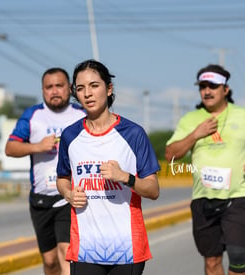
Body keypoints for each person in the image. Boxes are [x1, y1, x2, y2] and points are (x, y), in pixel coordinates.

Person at [56, 59, 160, 275]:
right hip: (86, 247)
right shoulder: (70, 136)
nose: (87, 94)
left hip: (127, 247)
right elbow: (62, 179)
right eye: (81, 88)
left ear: (109, 88)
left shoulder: (134, 134)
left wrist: (126, 177)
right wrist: (68, 194)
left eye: (94, 86)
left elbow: (153, 190)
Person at [165, 64, 245, 275]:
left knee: (237, 257)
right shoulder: (190, 119)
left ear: (225, 90)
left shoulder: (244, 115)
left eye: (213, 86)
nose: (207, 91)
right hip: (203, 198)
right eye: (203, 86)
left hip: (237, 196)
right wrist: (195, 134)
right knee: (212, 261)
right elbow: (170, 155)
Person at [5, 67, 85, 275]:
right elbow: (10, 148)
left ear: (69, 88)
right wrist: (37, 147)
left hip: (68, 196)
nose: (54, 91)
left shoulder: (81, 115)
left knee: (66, 252)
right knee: (50, 262)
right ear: (42, 90)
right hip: (41, 199)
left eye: (59, 86)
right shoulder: (33, 115)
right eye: (49, 87)